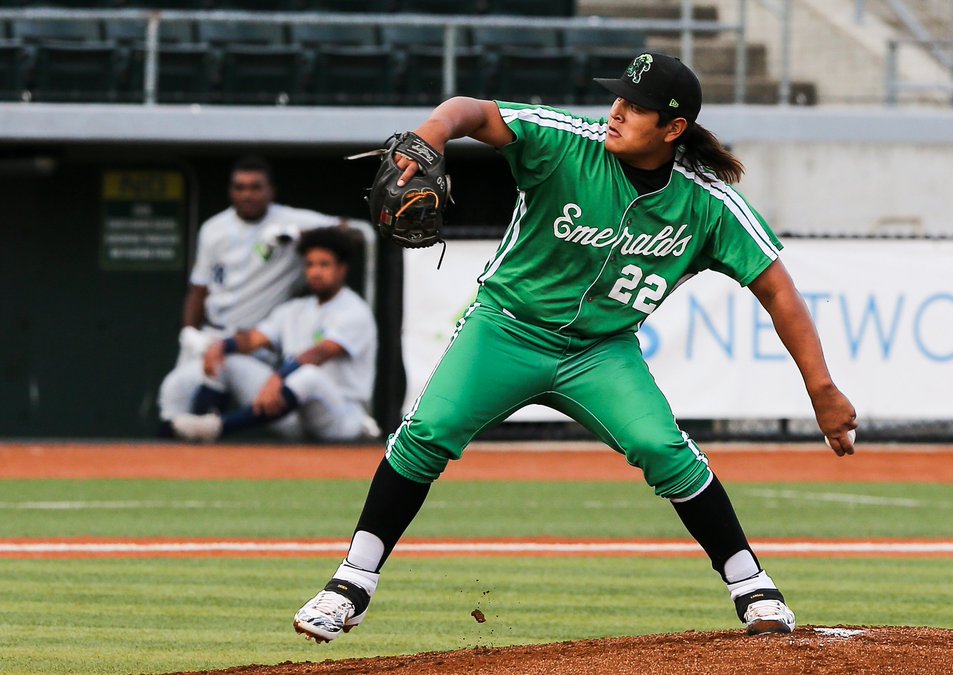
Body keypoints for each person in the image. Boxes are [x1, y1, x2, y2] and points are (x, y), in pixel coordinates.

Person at [293, 52, 857, 643]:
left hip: (601, 350)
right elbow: (472, 112)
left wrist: (821, 388)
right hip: (506, 329)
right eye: (617, 97)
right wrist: (430, 135)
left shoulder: (706, 204)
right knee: (425, 435)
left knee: (661, 447)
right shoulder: (565, 142)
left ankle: (752, 587)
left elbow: (779, 291)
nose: (616, 110)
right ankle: (351, 583)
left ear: (673, 128)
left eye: (635, 106)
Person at [157, 156, 348, 434]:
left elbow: (352, 230)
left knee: (285, 422)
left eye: (255, 187)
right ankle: (169, 469)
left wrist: (296, 234)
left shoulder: (289, 219)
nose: (247, 194)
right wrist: (189, 331)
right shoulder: (214, 229)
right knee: (173, 396)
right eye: (239, 187)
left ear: (271, 190)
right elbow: (199, 289)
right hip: (210, 335)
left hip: (253, 345)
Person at [170, 227, 379, 442]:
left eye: (324, 264)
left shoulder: (354, 310)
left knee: (308, 375)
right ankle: (197, 436)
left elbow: (319, 353)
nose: (316, 271)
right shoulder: (294, 309)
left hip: (340, 417)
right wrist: (221, 346)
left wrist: (278, 377)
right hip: (290, 411)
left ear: (342, 269)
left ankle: (219, 427)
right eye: (310, 265)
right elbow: (253, 339)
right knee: (228, 359)